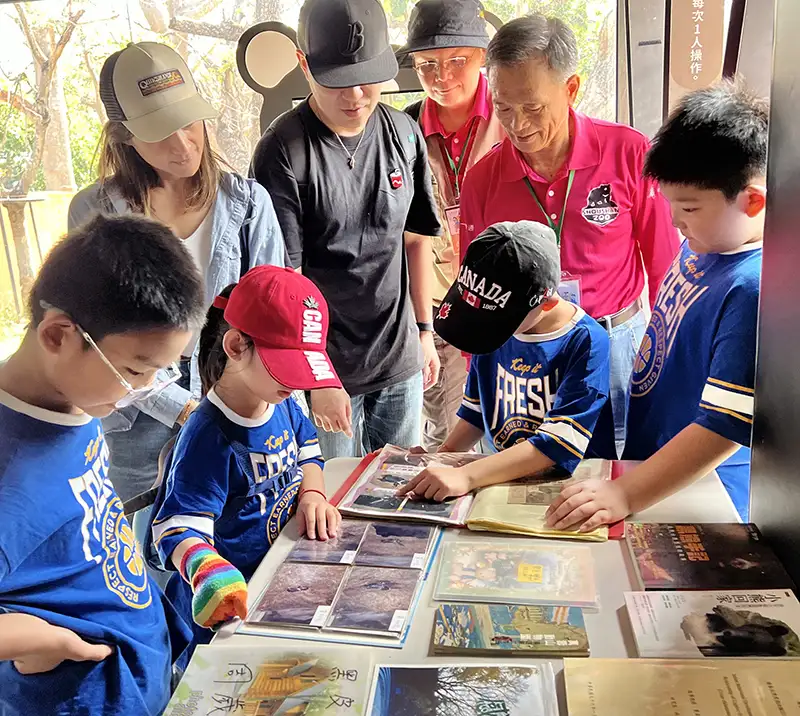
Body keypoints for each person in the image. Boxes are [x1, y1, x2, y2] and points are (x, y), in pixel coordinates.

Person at [0, 214, 203, 715]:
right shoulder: (9, 474)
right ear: (58, 335)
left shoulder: (75, 399)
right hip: (82, 697)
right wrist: (34, 638)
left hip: (139, 672)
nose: (140, 388)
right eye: (135, 369)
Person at [68, 41, 286, 503]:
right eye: (160, 131)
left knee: (241, 539)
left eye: (189, 121)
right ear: (124, 135)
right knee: (147, 552)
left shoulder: (248, 205)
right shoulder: (94, 215)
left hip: (235, 394)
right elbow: (98, 342)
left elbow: (275, 320)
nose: (182, 143)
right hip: (135, 420)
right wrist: (185, 407)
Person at [545, 81, 768, 530]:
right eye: (669, 204)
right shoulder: (705, 241)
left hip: (704, 494)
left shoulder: (754, 288)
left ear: (753, 200)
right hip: (653, 468)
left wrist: (626, 492)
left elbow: (726, 428)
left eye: (688, 208)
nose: (674, 222)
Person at [459, 14, 680, 457]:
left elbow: (665, 266)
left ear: (571, 89)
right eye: (503, 108)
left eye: (533, 107)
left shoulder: (629, 153)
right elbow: (475, 289)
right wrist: (479, 370)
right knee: (515, 480)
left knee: (612, 471)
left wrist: (668, 363)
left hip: (614, 343)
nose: (518, 125)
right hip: (521, 355)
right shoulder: (482, 179)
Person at [251, 0, 442, 459]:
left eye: (367, 79)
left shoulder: (404, 134)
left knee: (400, 494)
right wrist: (316, 377)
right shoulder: (282, 150)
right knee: (336, 500)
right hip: (328, 366)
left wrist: (425, 331)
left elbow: (415, 241)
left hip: (400, 358)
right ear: (304, 63)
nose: (356, 96)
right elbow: (287, 283)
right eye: (338, 81)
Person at [151, 266, 342, 654]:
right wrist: (207, 569)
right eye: (287, 366)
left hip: (281, 574)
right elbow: (176, 526)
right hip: (228, 612)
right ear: (236, 346)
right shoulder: (208, 435)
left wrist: (313, 496)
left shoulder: (280, 401)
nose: (299, 383)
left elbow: (308, 448)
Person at [397, 220, 610, 501]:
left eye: (490, 323)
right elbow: (476, 413)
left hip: (572, 489)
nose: (480, 328)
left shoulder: (586, 341)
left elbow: (559, 444)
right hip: (501, 480)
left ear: (547, 304)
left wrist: (465, 475)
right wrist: (441, 460)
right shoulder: (491, 331)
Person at [397, 0, 506, 451]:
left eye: (456, 61)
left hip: (502, 308)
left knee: (505, 436)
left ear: (482, 56)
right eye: (427, 65)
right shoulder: (401, 129)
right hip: (435, 310)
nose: (442, 76)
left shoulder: (511, 116)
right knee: (443, 435)